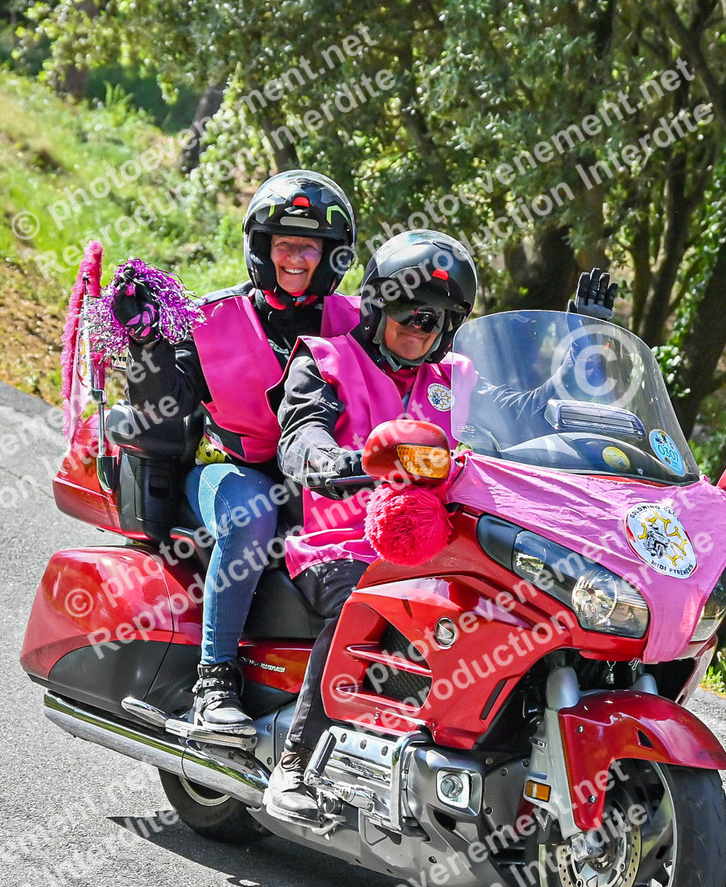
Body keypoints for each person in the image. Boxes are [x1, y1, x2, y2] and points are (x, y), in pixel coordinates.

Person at [262, 230, 617, 818]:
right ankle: (295, 763)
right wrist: (337, 463)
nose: (422, 328)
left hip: (442, 548)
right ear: (378, 306)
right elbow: (300, 438)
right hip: (343, 544)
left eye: (438, 319)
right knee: (363, 601)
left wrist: (579, 346)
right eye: (411, 312)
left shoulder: (455, 377)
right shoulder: (326, 359)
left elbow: (527, 416)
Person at [111, 170, 360, 738]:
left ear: (333, 257)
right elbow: (162, 414)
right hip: (231, 470)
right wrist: (147, 344)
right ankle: (214, 683)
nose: (295, 258)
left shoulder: (357, 322)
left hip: (327, 476)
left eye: (311, 247)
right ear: (260, 248)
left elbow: (429, 373)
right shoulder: (209, 320)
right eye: (284, 244)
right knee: (252, 512)